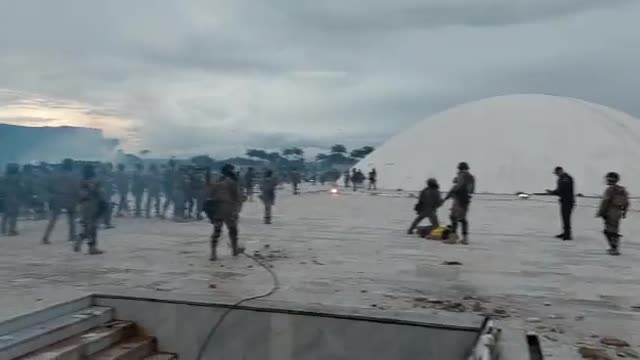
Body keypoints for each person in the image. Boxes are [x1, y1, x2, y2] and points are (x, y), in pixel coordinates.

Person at [205, 164, 243, 261]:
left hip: (218, 209)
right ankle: (234, 250)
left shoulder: (217, 181)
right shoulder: (232, 182)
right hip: (229, 209)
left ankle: (213, 253)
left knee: (216, 231)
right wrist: (237, 210)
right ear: (230, 171)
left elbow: (209, 193)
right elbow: (238, 197)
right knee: (233, 230)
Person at [42, 159, 80, 244]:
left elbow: (48, 186)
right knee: (72, 218)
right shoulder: (74, 176)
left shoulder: (54, 174)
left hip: (57, 197)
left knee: (53, 219)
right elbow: (76, 188)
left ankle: (46, 237)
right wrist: (78, 198)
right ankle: (72, 235)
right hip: (70, 197)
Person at [75, 164, 105, 254]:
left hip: (83, 205)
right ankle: (91, 246)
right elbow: (98, 192)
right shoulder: (94, 181)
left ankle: (82, 241)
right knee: (92, 227)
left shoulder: (81, 180)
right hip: (92, 204)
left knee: (87, 225)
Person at [597, 172, 629, 256]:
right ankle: (614, 248)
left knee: (608, 231)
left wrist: (601, 212)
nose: (606, 180)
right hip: (618, 212)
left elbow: (605, 201)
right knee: (614, 229)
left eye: (608, 178)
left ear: (611, 179)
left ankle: (613, 248)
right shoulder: (622, 190)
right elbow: (626, 203)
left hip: (610, 211)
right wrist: (624, 212)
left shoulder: (610, 189)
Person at [445, 162, 475, 244]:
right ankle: (465, 238)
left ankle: (452, 238)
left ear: (460, 168)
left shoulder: (461, 175)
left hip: (458, 199)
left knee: (453, 217)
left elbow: (457, 187)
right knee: (463, 219)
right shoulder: (471, 177)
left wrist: (449, 195)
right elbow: (472, 190)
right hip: (466, 201)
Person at [546, 166, 575, 240]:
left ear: (560, 171)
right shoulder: (562, 178)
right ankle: (565, 233)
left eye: (556, 173)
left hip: (567, 201)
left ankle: (567, 235)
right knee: (564, 218)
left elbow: (562, 190)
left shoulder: (566, 178)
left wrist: (552, 192)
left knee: (566, 218)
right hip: (564, 201)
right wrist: (553, 192)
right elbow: (560, 190)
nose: (556, 174)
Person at [1, 164, 22, 236]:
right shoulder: (16, 177)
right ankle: (11, 230)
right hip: (14, 197)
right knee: (14, 214)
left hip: (5, 198)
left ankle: (3, 230)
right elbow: (20, 186)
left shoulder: (3, 177)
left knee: (6, 214)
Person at [99, 163, 115, 228]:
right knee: (108, 209)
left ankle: (102, 222)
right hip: (106, 196)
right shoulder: (108, 178)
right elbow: (111, 188)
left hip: (100, 196)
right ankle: (107, 223)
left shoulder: (97, 177)